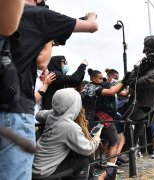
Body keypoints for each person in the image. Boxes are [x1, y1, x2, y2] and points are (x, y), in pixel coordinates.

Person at [0, 0, 98, 179]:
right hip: (14, 111)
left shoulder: (51, 116)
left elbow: (43, 114)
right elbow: (92, 26)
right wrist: (92, 16)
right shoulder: (39, 16)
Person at [32, 88, 101, 179]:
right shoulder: (70, 127)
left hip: (35, 167)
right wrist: (96, 137)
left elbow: (38, 115)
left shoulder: (51, 116)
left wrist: (58, 109)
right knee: (84, 160)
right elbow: (88, 149)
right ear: (75, 105)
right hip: (45, 172)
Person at [81, 68, 129, 166]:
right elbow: (112, 92)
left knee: (94, 144)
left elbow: (119, 92)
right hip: (97, 118)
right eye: (99, 78)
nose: (102, 80)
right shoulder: (94, 87)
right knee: (114, 141)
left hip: (86, 118)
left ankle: (92, 169)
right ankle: (110, 171)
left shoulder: (86, 87)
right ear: (93, 79)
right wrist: (125, 80)